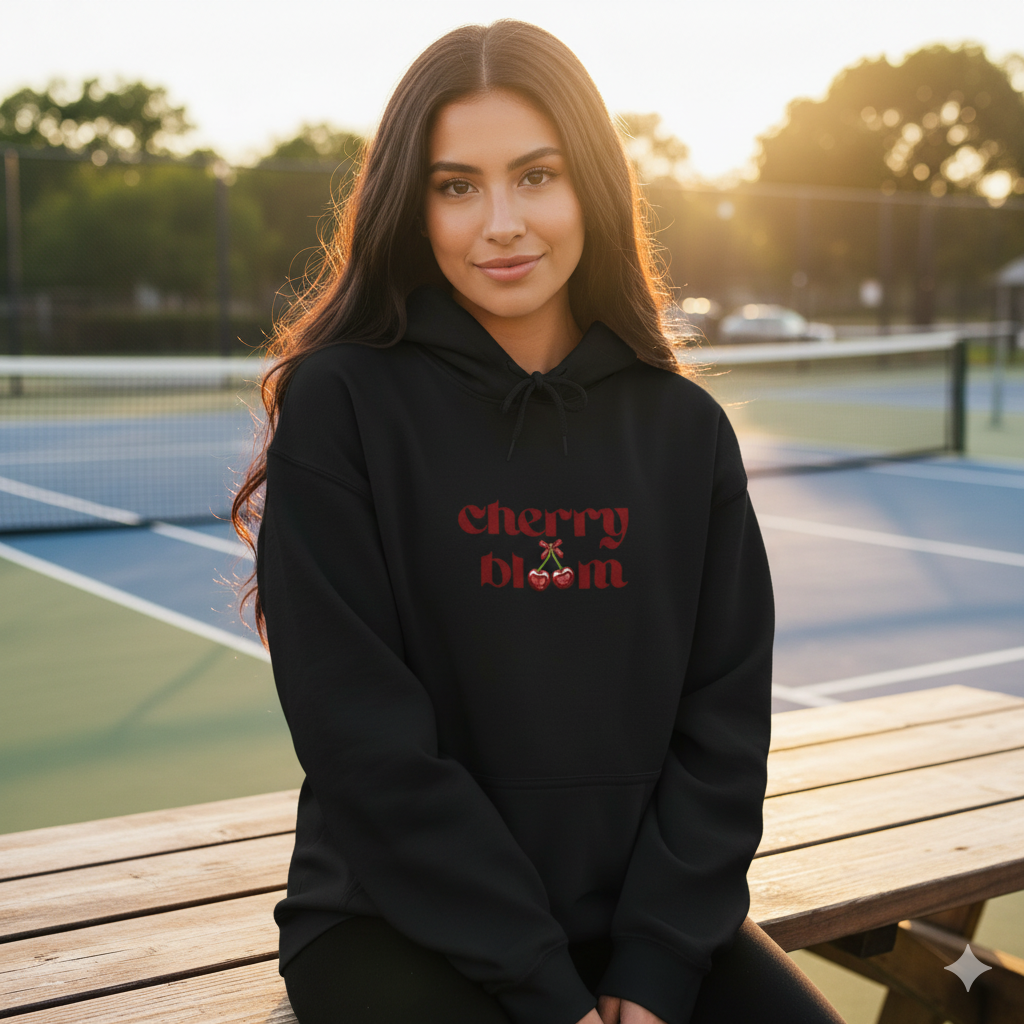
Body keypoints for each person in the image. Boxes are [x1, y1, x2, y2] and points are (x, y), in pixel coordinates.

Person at [232, 19, 845, 1024]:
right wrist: (544, 991)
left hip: (637, 923)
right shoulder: (345, 404)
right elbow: (365, 745)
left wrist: (651, 970)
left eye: (536, 175)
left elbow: (722, 726)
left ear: (589, 187)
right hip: (393, 923)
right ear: (413, 205)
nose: (501, 222)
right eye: (456, 185)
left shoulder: (682, 430)